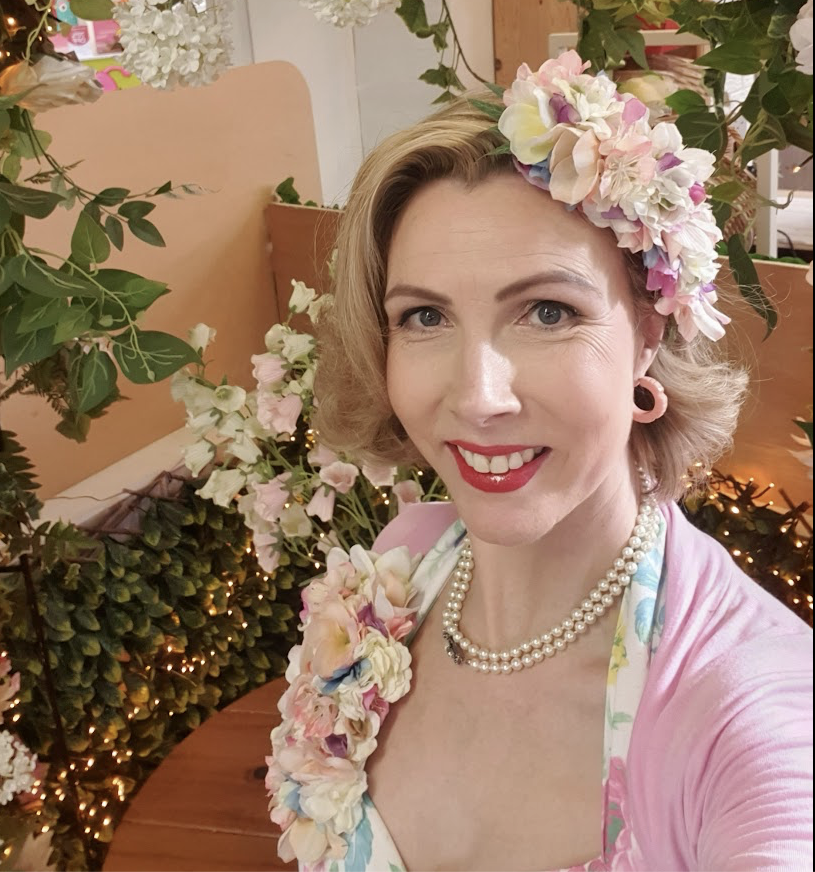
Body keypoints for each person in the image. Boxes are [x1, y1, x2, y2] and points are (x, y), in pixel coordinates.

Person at [265, 52, 814, 871]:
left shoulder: (752, 719)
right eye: (424, 318)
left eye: (547, 312)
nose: (479, 395)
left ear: (649, 332)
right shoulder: (391, 577)